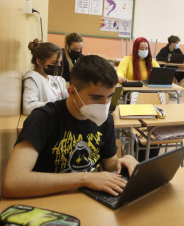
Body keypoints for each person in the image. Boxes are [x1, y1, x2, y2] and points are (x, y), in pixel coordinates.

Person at [2, 55, 138, 199]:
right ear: (72, 92)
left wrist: (122, 161)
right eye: (96, 98)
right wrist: (85, 178)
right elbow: (13, 183)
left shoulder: (105, 119)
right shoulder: (43, 118)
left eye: (110, 96)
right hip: (49, 201)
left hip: (89, 200)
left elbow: (108, 162)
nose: (105, 105)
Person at [22, 39, 69, 115]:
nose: (59, 65)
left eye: (59, 62)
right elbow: (28, 107)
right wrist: (58, 106)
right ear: (39, 61)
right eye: (54, 62)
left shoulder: (58, 80)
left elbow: (67, 98)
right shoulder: (32, 78)